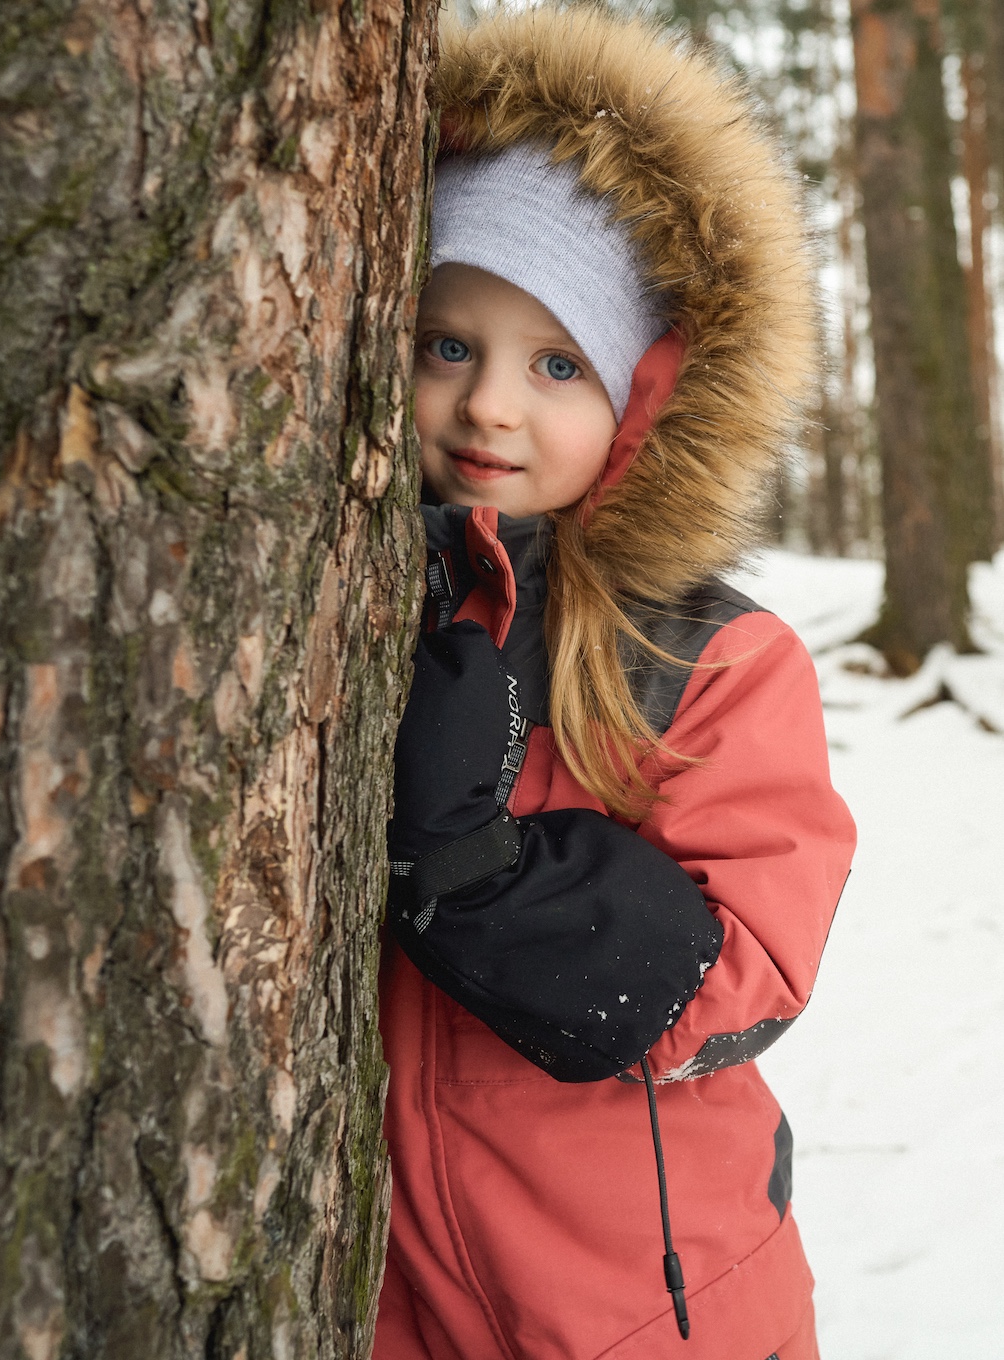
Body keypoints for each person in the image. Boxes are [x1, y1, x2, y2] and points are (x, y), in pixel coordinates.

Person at [375, 11, 856, 1360]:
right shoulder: (353, 601)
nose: (489, 410)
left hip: (656, 1312)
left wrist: (486, 873)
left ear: (642, 401)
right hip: (392, 1303)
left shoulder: (711, 659)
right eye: (448, 344)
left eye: (556, 365)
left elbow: (744, 978)